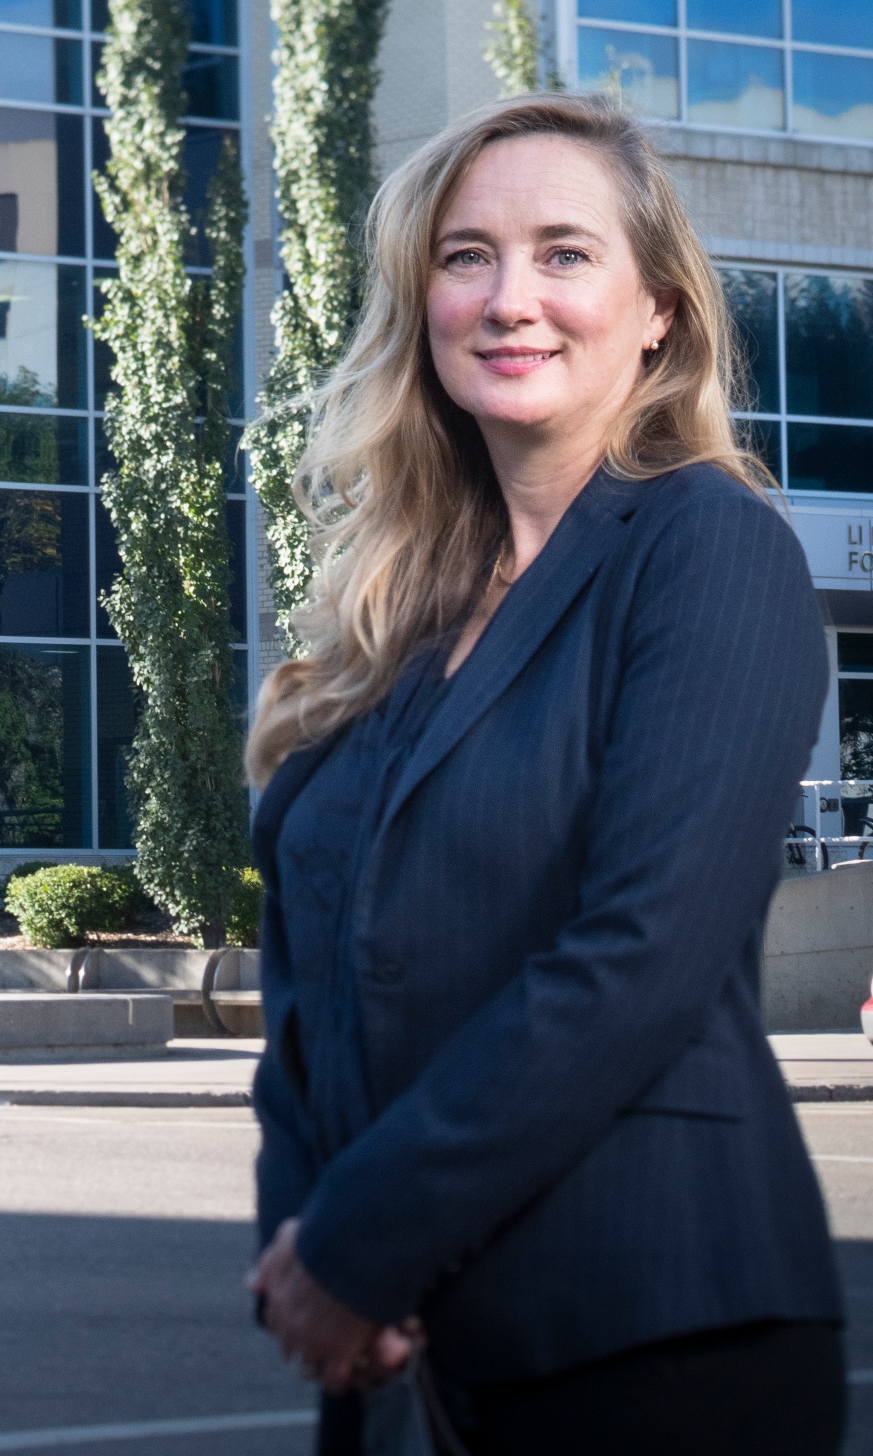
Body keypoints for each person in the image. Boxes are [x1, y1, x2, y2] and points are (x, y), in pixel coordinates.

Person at [244, 93, 846, 1455]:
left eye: (565, 253)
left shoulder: (708, 550)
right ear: (425, 304)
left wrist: (359, 1240)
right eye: (467, 257)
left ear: (660, 316)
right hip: (397, 1356)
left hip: (652, 1338)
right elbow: (308, 989)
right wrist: (311, 1242)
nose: (511, 297)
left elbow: (637, 957)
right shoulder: (394, 622)